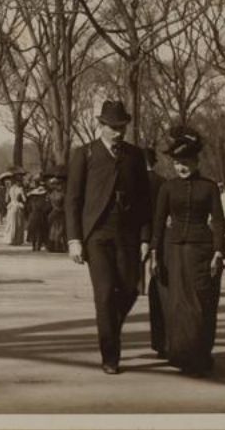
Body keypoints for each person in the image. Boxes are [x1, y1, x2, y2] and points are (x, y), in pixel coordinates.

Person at [65, 100, 152, 374]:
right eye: (113, 127)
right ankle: (110, 356)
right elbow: (73, 199)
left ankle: (110, 328)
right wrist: (74, 239)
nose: (118, 132)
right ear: (100, 126)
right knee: (104, 294)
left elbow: (144, 201)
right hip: (96, 235)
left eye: (122, 127)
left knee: (129, 289)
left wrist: (145, 238)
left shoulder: (135, 155)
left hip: (127, 235)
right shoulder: (84, 154)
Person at [151, 127, 225, 375]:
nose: (180, 167)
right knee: (176, 305)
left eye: (185, 162)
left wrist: (218, 251)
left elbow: (217, 221)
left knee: (200, 303)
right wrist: (153, 253)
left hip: (202, 252)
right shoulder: (168, 188)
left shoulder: (210, 187)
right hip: (172, 252)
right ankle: (181, 355)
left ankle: (200, 355)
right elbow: (158, 222)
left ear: (196, 161)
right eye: (176, 163)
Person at [144, 147, 168, 358]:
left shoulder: (137, 181)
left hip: (139, 229)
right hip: (158, 230)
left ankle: (138, 286)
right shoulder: (162, 182)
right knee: (156, 270)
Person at [25, 176, 51, 252]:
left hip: (32, 216)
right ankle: (38, 245)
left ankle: (33, 245)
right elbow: (47, 208)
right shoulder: (43, 200)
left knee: (33, 231)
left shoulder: (31, 199)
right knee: (40, 231)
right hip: (41, 216)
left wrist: (28, 215)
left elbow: (27, 208)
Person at [45, 166, 68, 253]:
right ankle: (59, 246)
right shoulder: (62, 194)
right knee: (60, 230)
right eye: (58, 184)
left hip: (53, 212)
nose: (60, 186)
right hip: (60, 212)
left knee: (53, 230)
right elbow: (63, 204)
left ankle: (53, 246)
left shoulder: (51, 194)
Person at [3, 169, 27, 246]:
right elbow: (24, 199)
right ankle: (17, 239)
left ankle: (10, 238)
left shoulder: (10, 189)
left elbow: (6, 200)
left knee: (10, 223)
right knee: (18, 223)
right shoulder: (20, 189)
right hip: (17, 206)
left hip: (11, 206)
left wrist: (7, 192)